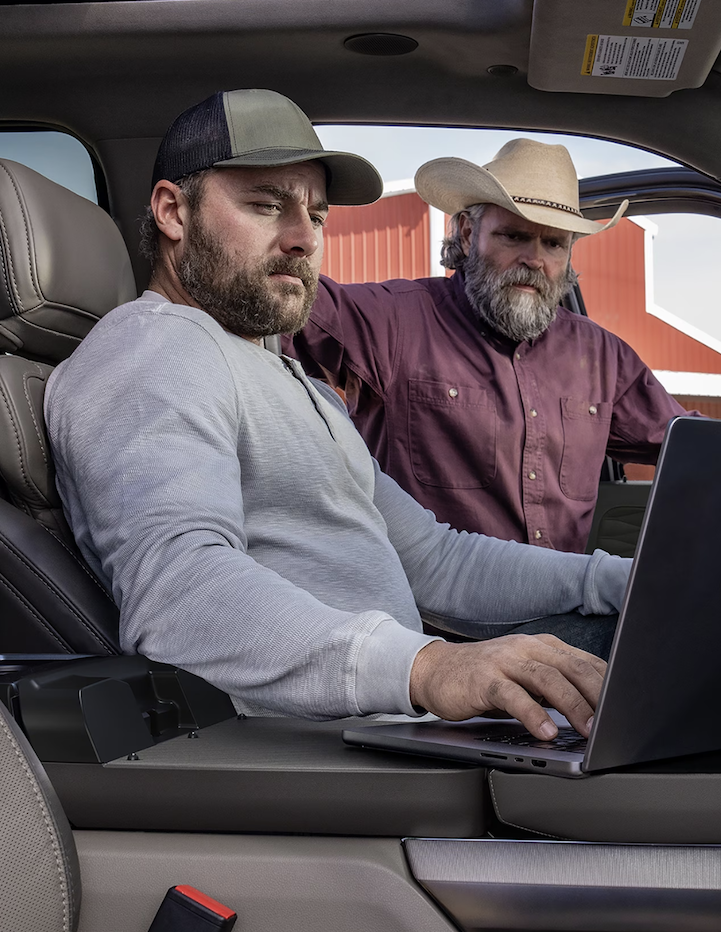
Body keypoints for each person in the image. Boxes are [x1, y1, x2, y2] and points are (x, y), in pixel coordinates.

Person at [47, 90, 625, 741]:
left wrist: (620, 580)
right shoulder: (154, 350)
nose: (302, 239)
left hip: (391, 728)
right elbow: (179, 595)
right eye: (266, 205)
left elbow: (438, 561)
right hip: (314, 764)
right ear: (173, 212)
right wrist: (428, 668)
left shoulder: (293, 381)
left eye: (316, 215)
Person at [289, 139, 693, 553]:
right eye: (514, 236)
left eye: (554, 243)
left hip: (563, 607)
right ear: (467, 233)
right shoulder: (393, 321)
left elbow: (695, 448)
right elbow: (281, 304)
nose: (534, 259)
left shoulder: (604, 358)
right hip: (427, 614)